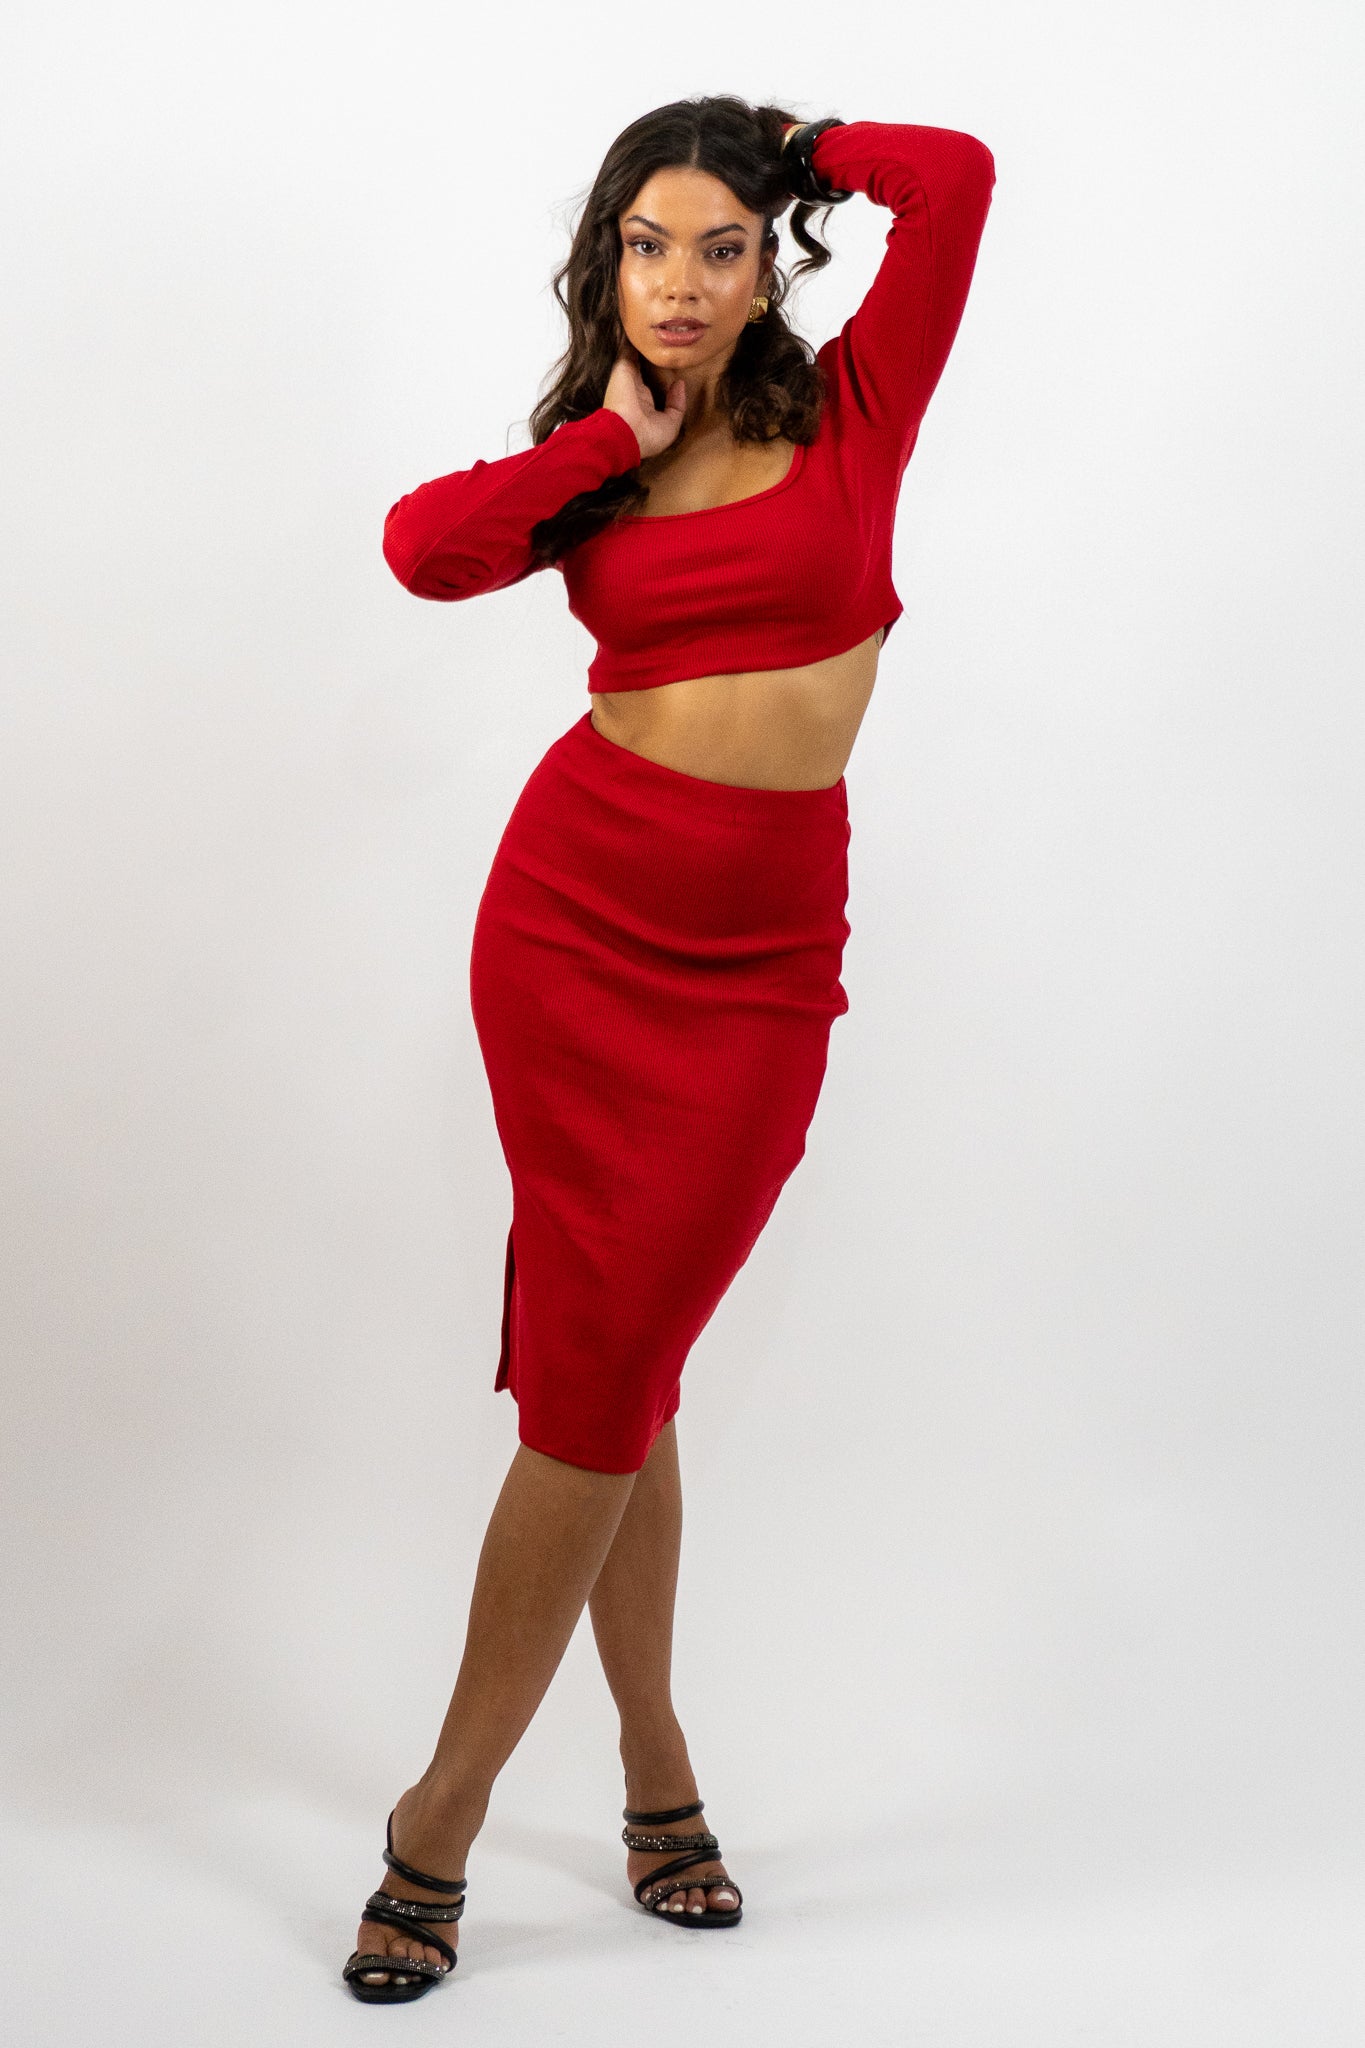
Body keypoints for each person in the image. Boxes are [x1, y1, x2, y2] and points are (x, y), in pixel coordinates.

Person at [342, 96, 995, 2002]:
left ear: (768, 257)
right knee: (609, 1370)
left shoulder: (854, 406)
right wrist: (592, 448)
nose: (685, 282)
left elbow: (949, 178)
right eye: (647, 245)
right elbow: (418, 556)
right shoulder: (596, 464)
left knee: (612, 1365)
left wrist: (790, 140)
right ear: (603, 262)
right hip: (569, 924)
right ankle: (504, 1805)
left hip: (757, 958)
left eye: (722, 244)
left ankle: (533, 1794)